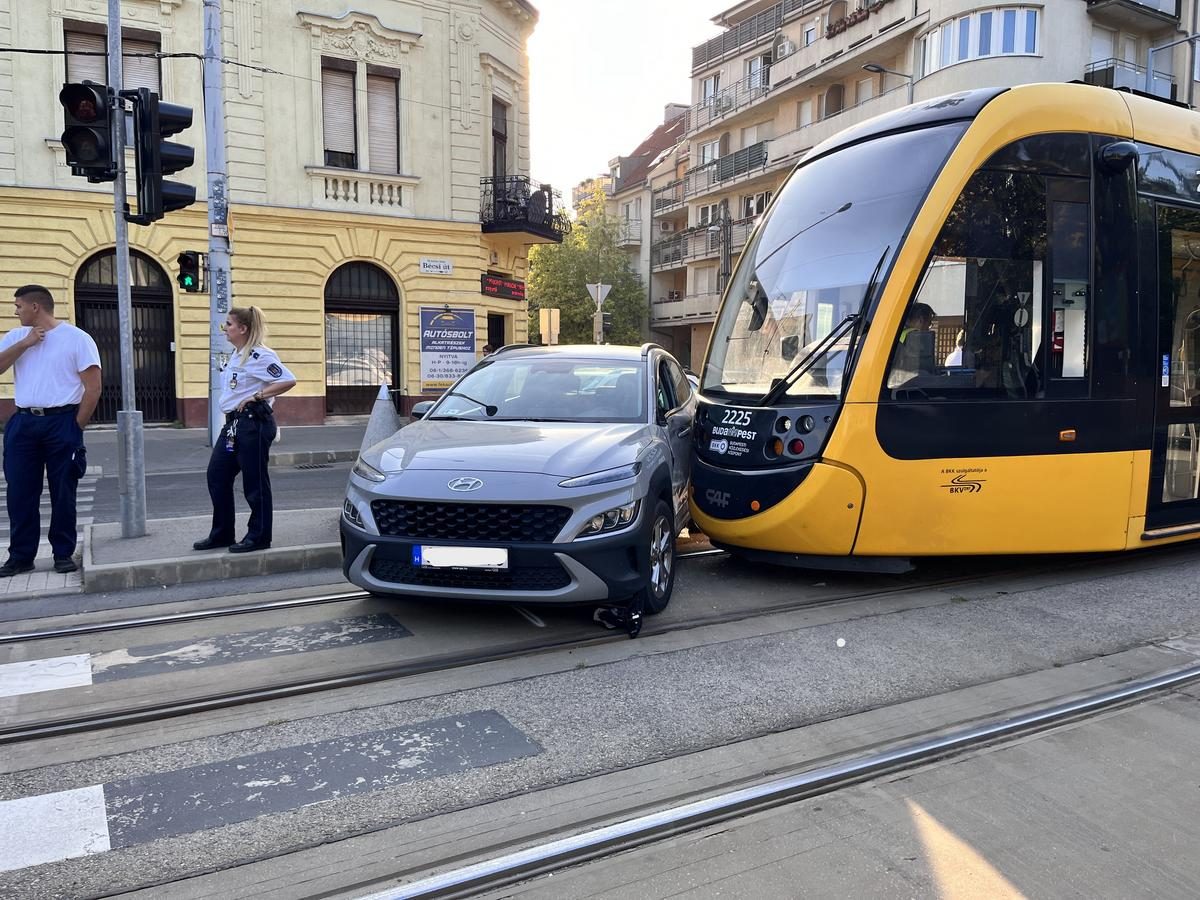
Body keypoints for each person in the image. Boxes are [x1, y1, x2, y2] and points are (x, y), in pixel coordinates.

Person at [0, 285, 101, 576]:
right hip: (23, 422)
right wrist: (26, 344)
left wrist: (74, 426)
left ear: (35, 307)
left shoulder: (76, 339)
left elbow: (93, 388)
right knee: (20, 492)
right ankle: (20, 556)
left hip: (62, 421)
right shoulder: (16, 337)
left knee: (63, 491)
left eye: (18, 305)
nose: (15, 310)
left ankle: (62, 553)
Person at [194, 306, 296, 554]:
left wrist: (257, 396)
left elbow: (288, 380)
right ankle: (222, 533)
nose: (225, 329)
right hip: (233, 425)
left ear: (243, 328)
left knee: (255, 482)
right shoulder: (236, 354)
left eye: (228, 324)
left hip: (253, 424)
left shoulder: (259, 356)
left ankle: (259, 536)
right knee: (217, 475)